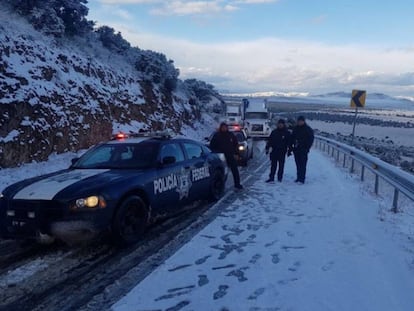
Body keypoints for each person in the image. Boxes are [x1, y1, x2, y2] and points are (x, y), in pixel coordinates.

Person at [210, 122, 243, 190]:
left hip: (230, 155)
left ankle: (237, 184)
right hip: (220, 157)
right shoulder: (217, 136)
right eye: (222, 127)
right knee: (221, 172)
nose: (224, 128)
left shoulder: (231, 135)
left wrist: (237, 154)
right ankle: (219, 186)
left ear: (227, 128)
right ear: (220, 128)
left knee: (235, 170)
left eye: (225, 127)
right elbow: (212, 146)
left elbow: (236, 145)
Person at [291, 116, 314, 184]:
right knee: (298, 164)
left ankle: (302, 179)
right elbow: (292, 137)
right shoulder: (295, 128)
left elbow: (311, 139)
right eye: (298, 121)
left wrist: (307, 148)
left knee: (303, 165)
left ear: (303, 121)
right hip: (296, 149)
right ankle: (298, 177)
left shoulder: (308, 129)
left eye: (301, 121)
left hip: (303, 150)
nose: (299, 122)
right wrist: (292, 146)